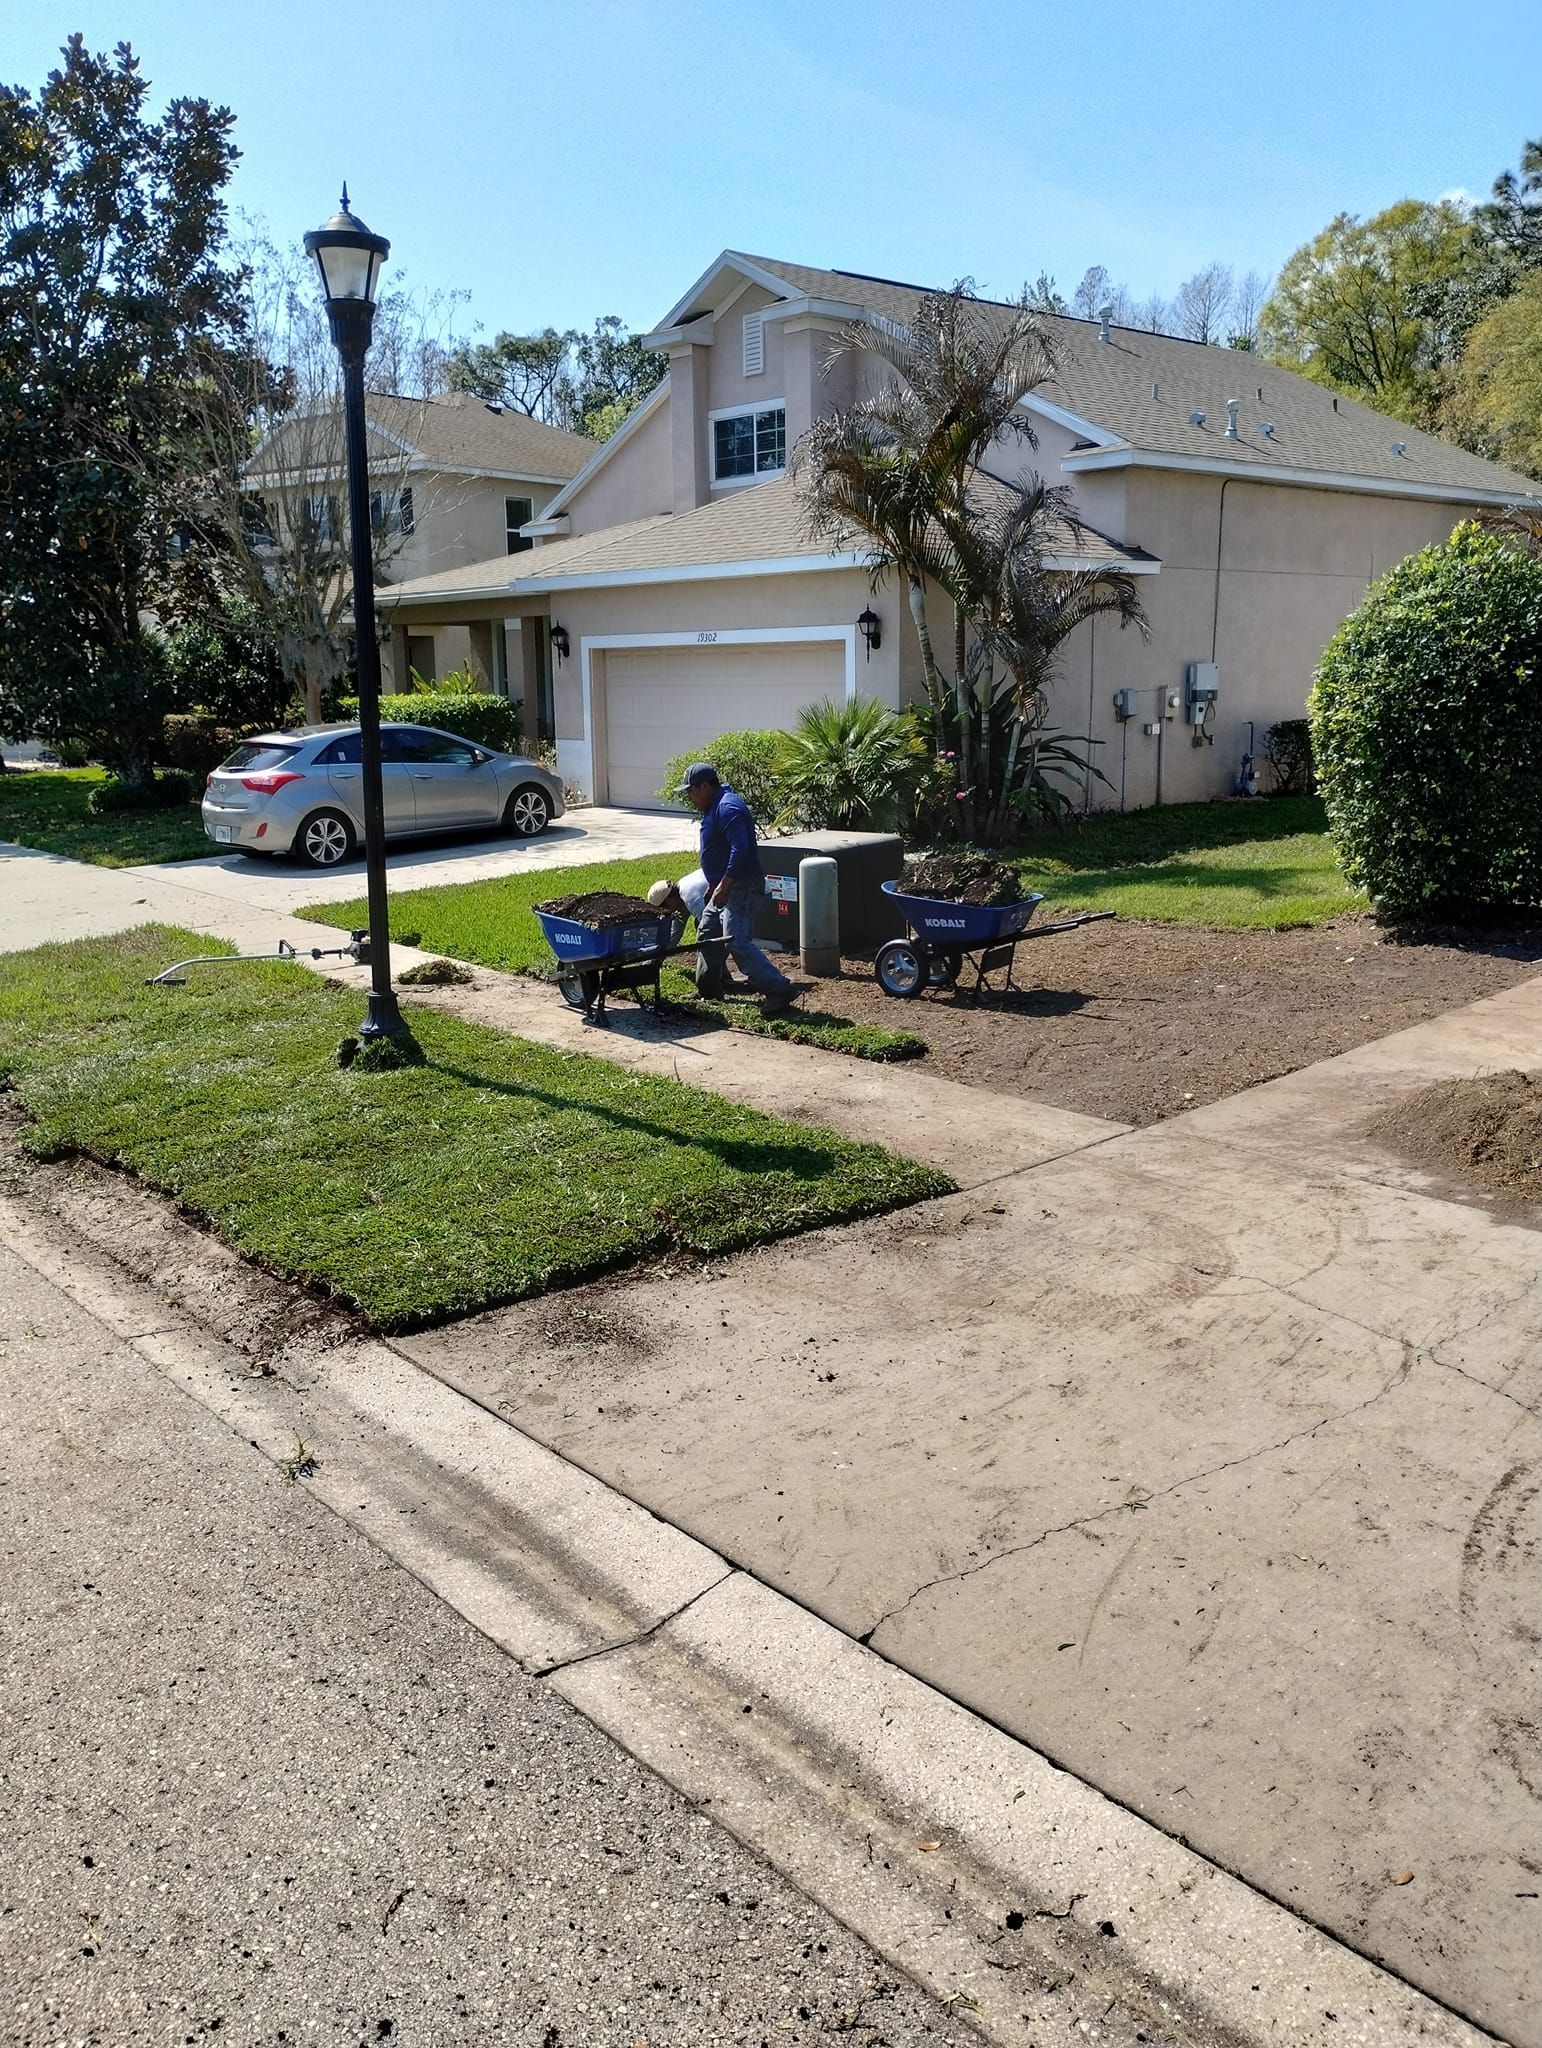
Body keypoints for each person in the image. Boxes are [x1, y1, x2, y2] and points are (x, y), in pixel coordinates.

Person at [675, 762, 796, 1016]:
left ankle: (779, 990)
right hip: (722, 887)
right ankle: (709, 990)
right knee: (707, 933)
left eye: (691, 791)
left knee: (737, 941)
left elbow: (740, 848)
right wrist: (714, 884)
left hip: (740, 887)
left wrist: (725, 883)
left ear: (705, 786)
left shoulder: (728, 807)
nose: (690, 797)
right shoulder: (714, 806)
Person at [645, 868, 745, 999]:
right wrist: (652, 961)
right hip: (736, 892)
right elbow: (674, 934)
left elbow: (713, 931)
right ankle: (723, 977)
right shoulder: (680, 893)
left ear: (669, 902)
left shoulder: (691, 898)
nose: (668, 913)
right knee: (703, 930)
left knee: (708, 939)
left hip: (745, 896)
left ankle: (712, 987)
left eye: (666, 910)